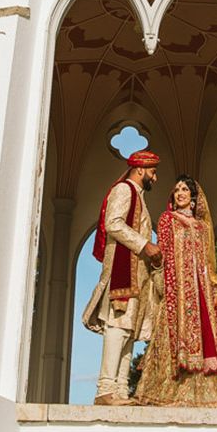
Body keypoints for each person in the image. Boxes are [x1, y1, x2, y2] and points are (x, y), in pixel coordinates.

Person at [135, 175, 217, 408]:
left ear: (193, 199)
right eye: (177, 190)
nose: (180, 193)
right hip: (177, 291)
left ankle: (209, 394)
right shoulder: (167, 220)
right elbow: (163, 253)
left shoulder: (203, 227)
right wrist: (169, 288)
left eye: (185, 190)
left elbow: (208, 262)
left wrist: (213, 288)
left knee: (206, 336)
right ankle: (170, 392)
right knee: (172, 334)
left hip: (201, 288)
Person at [82, 150, 162, 406]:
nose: (155, 177)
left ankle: (121, 390)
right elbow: (113, 223)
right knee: (118, 327)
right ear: (140, 169)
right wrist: (145, 245)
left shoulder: (136, 195)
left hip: (136, 274)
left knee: (128, 330)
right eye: (152, 171)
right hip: (123, 272)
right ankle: (105, 389)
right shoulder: (124, 190)